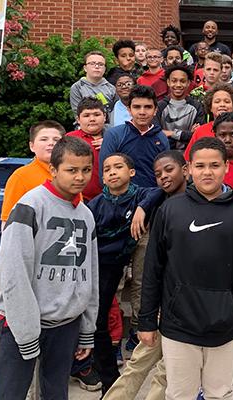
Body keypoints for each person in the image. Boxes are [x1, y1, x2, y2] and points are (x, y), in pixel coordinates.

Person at [138, 136, 233, 400]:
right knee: (179, 393)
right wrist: (147, 320)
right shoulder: (170, 210)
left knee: (220, 393)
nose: (208, 172)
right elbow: (153, 268)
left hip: (224, 322)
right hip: (178, 322)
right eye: (201, 166)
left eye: (215, 165)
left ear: (226, 167)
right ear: (189, 169)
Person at [0, 136, 99, 400]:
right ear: (53, 169)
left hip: (66, 324)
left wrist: (87, 330)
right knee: (9, 393)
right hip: (23, 323)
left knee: (56, 392)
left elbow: (90, 276)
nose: (80, 177)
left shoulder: (85, 215)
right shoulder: (30, 206)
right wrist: (26, 331)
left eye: (86, 169)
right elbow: (13, 273)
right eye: (71, 170)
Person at [103, 150, 188, 400]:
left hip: (188, 303)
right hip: (165, 302)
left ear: (186, 169)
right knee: (140, 362)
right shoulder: (160, 205)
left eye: (168, 170)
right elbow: (154, 268)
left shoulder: (199, 204)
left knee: (167, 370)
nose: (163, 177)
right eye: (158, 174)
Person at [87, 153, 163, 395]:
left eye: (118, 167)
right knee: (99, 319)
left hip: (134, 252)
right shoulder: (96, 205)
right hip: (105, 263)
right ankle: (109, 380)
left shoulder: (142, 194)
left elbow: (159, 190)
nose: (111, 172)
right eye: (106, 169)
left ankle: (141, 341)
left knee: (144, 292)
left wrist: (142, 207)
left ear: (131, 172)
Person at [100, 85, 169, 188]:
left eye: (148, 107)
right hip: (120, 199)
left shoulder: (161, 138)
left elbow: (165, 175)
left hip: (153, 199)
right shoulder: (114, 135)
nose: (142, 112)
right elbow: (104, 174)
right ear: (129, 109)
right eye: (137, 107)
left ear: (155, 111)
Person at [0, 120, 65, 225]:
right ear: (32, 146)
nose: (51, 143)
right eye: (44, 139)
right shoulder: (21, 176)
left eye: (56, 139)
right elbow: (8, 222)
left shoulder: (71, 174)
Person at [156, 64, 205, 151]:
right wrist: (186, 134)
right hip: (163, 153)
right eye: (174, 81)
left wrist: (170, 133)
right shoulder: (160, 106)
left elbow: (197, 135)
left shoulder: (197, 107)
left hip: (188, 154)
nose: (178, 85)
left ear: (188, 83)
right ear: (168, 82)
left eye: (182, 81)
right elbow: (156, 133)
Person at [66, 97, 106, 201]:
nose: (92, 119)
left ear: (105, 117)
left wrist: (109, 143)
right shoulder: (69, 139)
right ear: (78, 119)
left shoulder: (115, 137)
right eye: (86, 115)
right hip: (79, 199)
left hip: (110, 199)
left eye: (97, 115)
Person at [70, 51, 115, 117]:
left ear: (105, 69)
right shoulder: (77, 87)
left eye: (101, 64)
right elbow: (77, 114)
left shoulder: (112, 89)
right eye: (92, 63)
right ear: (85, 68)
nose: (97, 66)